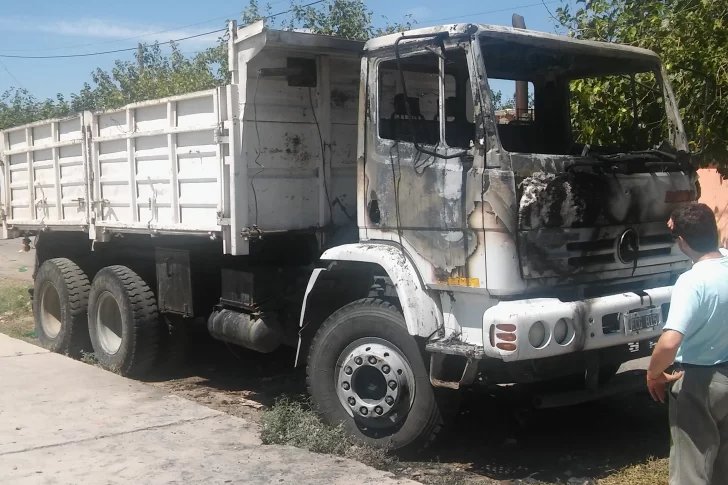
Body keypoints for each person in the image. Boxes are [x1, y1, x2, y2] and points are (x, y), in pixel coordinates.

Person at [647, 202, 728, 485]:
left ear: (682, 241)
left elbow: (670, 342)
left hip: (697, 383)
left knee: (691, 470)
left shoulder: (692, 281)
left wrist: (654, 373)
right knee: (722, 468)